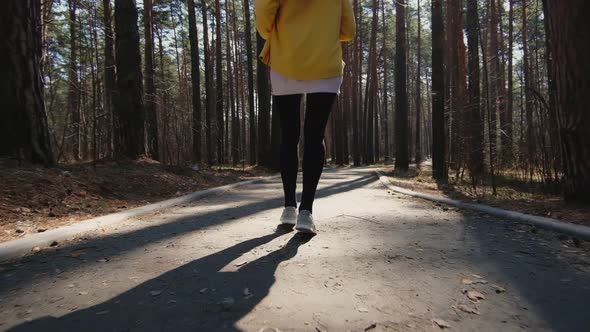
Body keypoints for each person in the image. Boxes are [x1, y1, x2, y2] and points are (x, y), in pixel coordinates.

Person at [255, 0, 356, 234]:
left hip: (285, 61)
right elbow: (348, 32)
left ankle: (289, 207)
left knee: (289, 136)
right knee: (314, 136)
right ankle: (306, 212)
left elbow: (263, 23)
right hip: (325, 63)